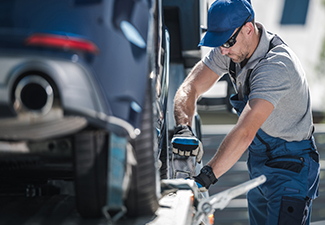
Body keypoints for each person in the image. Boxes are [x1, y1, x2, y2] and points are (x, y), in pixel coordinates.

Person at [171, 0, 320, 224]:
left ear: (248, 29)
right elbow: (189, 88)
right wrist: (184, 128)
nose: (222, 50)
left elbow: (245, 132)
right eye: (218, 42)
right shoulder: (231, 47)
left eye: (227, 42)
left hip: (291, 168)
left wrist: (203, 179)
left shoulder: (276, 66)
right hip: (260, 164)